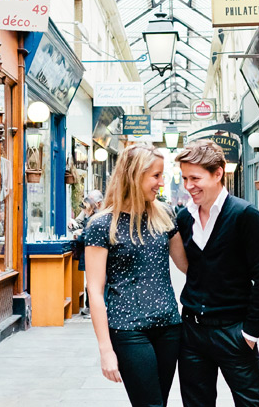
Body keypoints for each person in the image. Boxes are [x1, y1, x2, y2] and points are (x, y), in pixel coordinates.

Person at [175, 140, 259, 407]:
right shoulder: (184, 218)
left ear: (218, 173)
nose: (188, 185)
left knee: (251, 404)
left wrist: (250, 334)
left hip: (234, 331)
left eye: (195, 178)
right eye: (185, 178)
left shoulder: (245, 215)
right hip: (192, 334)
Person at [84, 144, 188, 407]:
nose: (161, 183)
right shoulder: (100, 224)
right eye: (155, 176)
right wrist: (106, 350)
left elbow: (187, 266)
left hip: (169, 327)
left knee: (158, 402)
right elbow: (94, 291)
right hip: (128, 330)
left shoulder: (164, 214)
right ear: (134, 175)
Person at [73, 195, 101, 317]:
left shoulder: (91, 220)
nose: (82, 211)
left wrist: (78, 235)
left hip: (91, 255)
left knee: (91, 282)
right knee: (92, 282)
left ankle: (92, 308)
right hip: (94, 255)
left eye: (84, 208)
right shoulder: (94, 218)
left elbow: (86, 238)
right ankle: (90, 307)